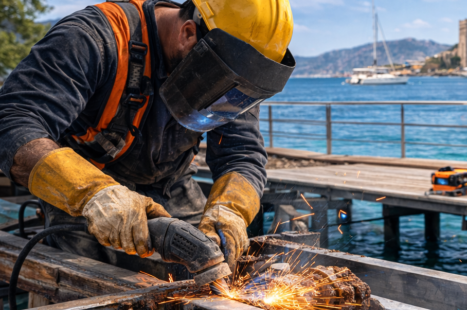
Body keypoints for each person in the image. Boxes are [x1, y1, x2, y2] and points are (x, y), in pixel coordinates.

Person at [0, 0, 295, 276]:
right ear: (188, 34)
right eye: (218, 85)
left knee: (218, 270)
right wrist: (92, 194)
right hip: (85, 191)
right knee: (92, 286)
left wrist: (230, 209)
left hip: (171, 184)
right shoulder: (92, 39)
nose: (224, 97)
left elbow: (242, 154)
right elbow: (13, 123)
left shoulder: (233, 75)